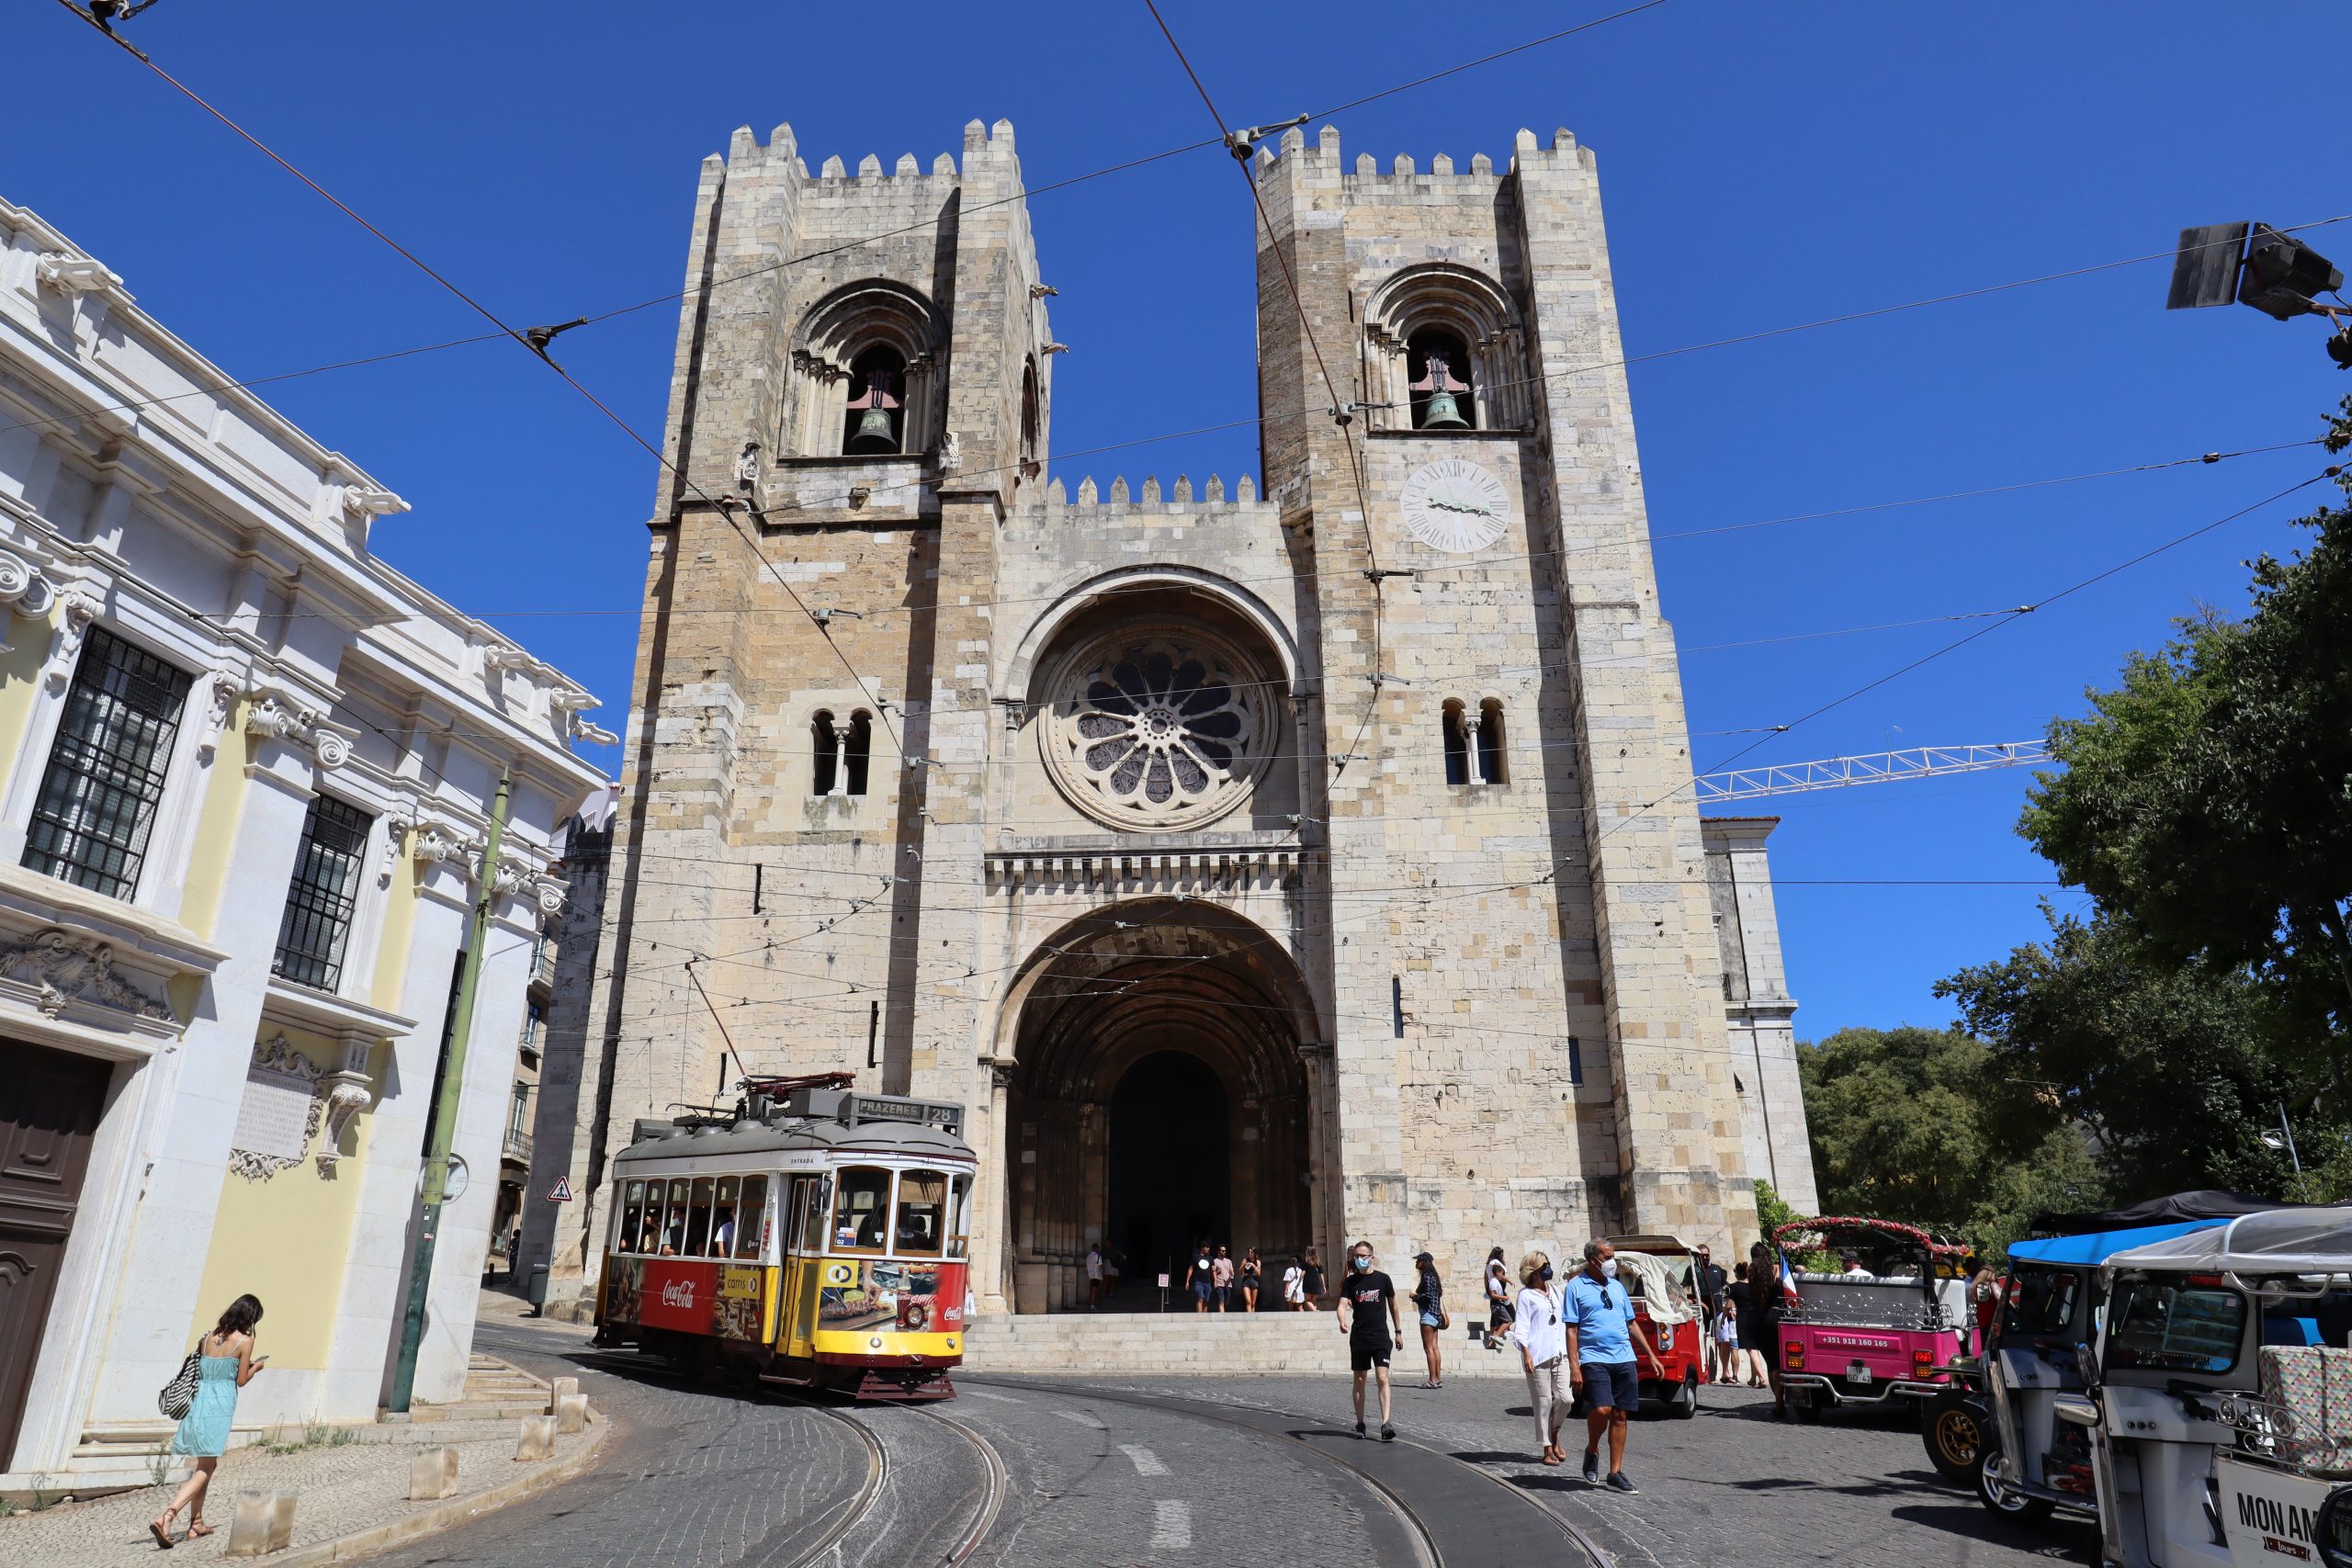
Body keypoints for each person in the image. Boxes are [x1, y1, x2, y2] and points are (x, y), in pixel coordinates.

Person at [152, 1294, 267, 1548]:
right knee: (206, 1467)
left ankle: (196, 1524)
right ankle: (168, 1515)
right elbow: (240, 1380)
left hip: (199, 1400)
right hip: (220, 1403)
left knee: (206, 1464)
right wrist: (256, 1368)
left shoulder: (207, 1339)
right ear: (250, 1317)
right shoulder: (245, 1341)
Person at [1565, 1239, 1666, 1493]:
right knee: (1602, 1409)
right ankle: (1592, 1449)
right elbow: (1571, 1329)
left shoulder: (1618, 1287)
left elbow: (1631, 1323)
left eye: (1613, 1256)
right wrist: (1574, 1366)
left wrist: (1651, 1355)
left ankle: (1615, 1472)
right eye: (1607, 1256)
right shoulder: (1575, 1287)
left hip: (1624, 1357)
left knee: (1621, 1415)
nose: (1612, 1262)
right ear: (1592, 1260)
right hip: (1594, 1357)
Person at [1334, 1238, 1402, 1440]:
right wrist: (1341, 1319)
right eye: (1356, 1256)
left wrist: (1398, 1331)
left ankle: (1386, 1423)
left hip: (1381, 1337)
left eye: (1362, 1256)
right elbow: (1341, 1304)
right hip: (1360, 1337)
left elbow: (1394, 1306)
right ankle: (1360, 1423)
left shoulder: (1383, 1279)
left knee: (1382, 1377)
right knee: (1360, 1380)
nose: (1359, 1259)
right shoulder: (1351, 1282)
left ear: (1371, 1257)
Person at [1510, 1251, 1570, 1463]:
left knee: (1566, 1399)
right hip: (1537, 1355)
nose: (1548, 1268)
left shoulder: (1555, 1291)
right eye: (1544, 1265)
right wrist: (1526, 1353)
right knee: (1543, 1402)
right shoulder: (1526, 1296)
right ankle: (1547, 1448)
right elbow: (1522, 1327)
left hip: (1560, 1352)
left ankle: (1554, 1432)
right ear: (1534, 1271)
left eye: (1549, 1264)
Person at [1740, 1242, 1789, 1415]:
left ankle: (1778, 1401)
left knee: (1770, 1362)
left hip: (1757, 1318)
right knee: (1779, 1363)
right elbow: (1784, 1286)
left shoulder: (1750, 1271)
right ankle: (1779, 1401)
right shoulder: (1775, 1269)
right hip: (1774, 1316)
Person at [1693, 1244, 1728, 1382]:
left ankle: (1724, 1373)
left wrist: (1730, 1308)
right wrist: (1698, 1301)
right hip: (1702, 1313)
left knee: (1723, 1342)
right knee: (1704, 1343)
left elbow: (1726, 1288)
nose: (1706, 1258)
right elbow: (1684, 1289)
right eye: (1702, 1256)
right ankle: (1708, 1374)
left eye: (1707, 1255)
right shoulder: (1693, 1270)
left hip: (1718, 1311)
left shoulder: (1718, 1270)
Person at [1411, 1251, 1445, 1388]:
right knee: (1435, 1348)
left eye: (1418, 1260)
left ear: (1424, 1262)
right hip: (1436, 1315)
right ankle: (1437, 1378)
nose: (1416, 1262)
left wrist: (1415, 1297)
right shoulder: (1434, 1277)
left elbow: (1427, 1297)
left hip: (1428, 1315)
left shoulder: (1427, 1277)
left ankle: (1432, 1380)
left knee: (1429, 1348)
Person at [1483, 1246, 1514, 1351]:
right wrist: (1509, 1280)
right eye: (1501, 1254)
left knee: (1496, 1315)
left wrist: (1487, 1289)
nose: (1503, 1256)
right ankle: (1498, 1335)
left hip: (1495, 1290)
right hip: (1499, 1292)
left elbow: (1485, 1278)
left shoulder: (1489, 1264)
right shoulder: (1495, 1264)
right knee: (1511, 1315)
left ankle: (1493, 1339)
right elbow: (1499, 1275)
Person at [1971, 1265, 2002, 1357]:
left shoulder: (1976, 1286)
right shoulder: (1992, 1284)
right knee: (1995, 1350)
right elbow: (2000, 1298)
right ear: (1991, 1274)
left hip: (1982, 1322)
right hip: (1994, 1322)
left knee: (1986, 1348)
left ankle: (1987, 1367)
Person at [1185, 1243, 1214, 1313]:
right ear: (1202, 1248)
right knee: (1200, 1299)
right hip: (1198, 1282)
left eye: (1208, 1247)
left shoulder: (1210, 1258)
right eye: (1207, 1247)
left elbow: (1213, 1270)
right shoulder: (1195, 1257)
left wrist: (1215, 1280)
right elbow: (1190, 1269)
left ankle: (1204, 1319)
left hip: (1208, 1282)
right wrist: (1187, 1281)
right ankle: (1199, 1319)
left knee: (1206, 1301)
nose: (1208, 1249)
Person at [1211, 1245, 1236, 1313]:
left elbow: (1232, 1273)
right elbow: (1213, 1273)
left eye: (1225, 1251)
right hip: (1219, 1284)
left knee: (1225, 1302)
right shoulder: (1214, 1261)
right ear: (1219, 1252)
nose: (1224, 1252)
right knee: (1221, 1301)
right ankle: (1222, 1318)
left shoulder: (1229, 1261)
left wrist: (1231, 1273)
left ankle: (1221, 1314)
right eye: (1222, 1251)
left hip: (1228, 1284)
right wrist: (1215, 1281)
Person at [1300, 1247, 1326, 1311]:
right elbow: (1321, 1274)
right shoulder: (1318, 1261)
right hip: (1316, 1281)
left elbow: (1303, 1272)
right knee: (1313, 1301)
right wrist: (1323, 1285)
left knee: (1307, 1301)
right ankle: (1315, 1316)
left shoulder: (1305, 1261)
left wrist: (1300, 1279)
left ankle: (1315, 1312)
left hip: (1307, 1281)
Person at [1240, 1247, 1263, 1314]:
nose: (1250, 1254)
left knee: (1253, 1303)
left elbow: (1259, 1274)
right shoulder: (1245, 1260)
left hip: (1254, 1281)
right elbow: (1240, 1271)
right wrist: (1243, 1265)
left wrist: (1253, 1265)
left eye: (1252, 1252)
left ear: (1255, 1253)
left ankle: (1252, 1319)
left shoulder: (1258, 1262)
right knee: (1248, 1301)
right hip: (1246, 1281)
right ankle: (1249, 1318)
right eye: (1249, 1252)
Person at [1086, 1244, 1105, 1310]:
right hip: (1096, 1275)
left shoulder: (1088, 1256)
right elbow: (1100, 1266)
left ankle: (1091, 1303)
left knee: (1092, 1289)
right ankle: (1092, 1305)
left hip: (1090, 1275)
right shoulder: (1097, 1256)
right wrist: (1102, 1275)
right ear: (1097, 1249)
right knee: (1095, 1290)